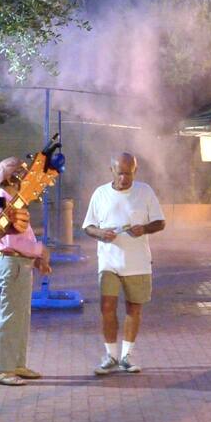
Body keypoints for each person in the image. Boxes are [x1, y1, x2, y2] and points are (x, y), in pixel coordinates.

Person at [83, 152, 165, 374]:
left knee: (133, 308)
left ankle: (126, 356)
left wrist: (144, 229)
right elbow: (88, 226)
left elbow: (160, 222)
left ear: (135, 171)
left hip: (137, 262)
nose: (124, 178)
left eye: (128, 174)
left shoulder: (145, 191)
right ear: (111, 170)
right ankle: (110, 355)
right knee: (107, 306)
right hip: (108, 261)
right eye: (120, 173)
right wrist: (101, 233)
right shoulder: (100, 194)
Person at [0, 156, 51, 386]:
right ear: (12, 178)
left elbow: (24, 237)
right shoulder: (1, 202)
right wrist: (39, 250)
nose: (26, 178)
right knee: (11, 316)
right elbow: (10, 241)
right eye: (22, 173)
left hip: (20, 264)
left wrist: (36, 258)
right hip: (12, 264)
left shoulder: (14, 201)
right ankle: (1, 369)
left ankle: (16, 363)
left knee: (21, 317)